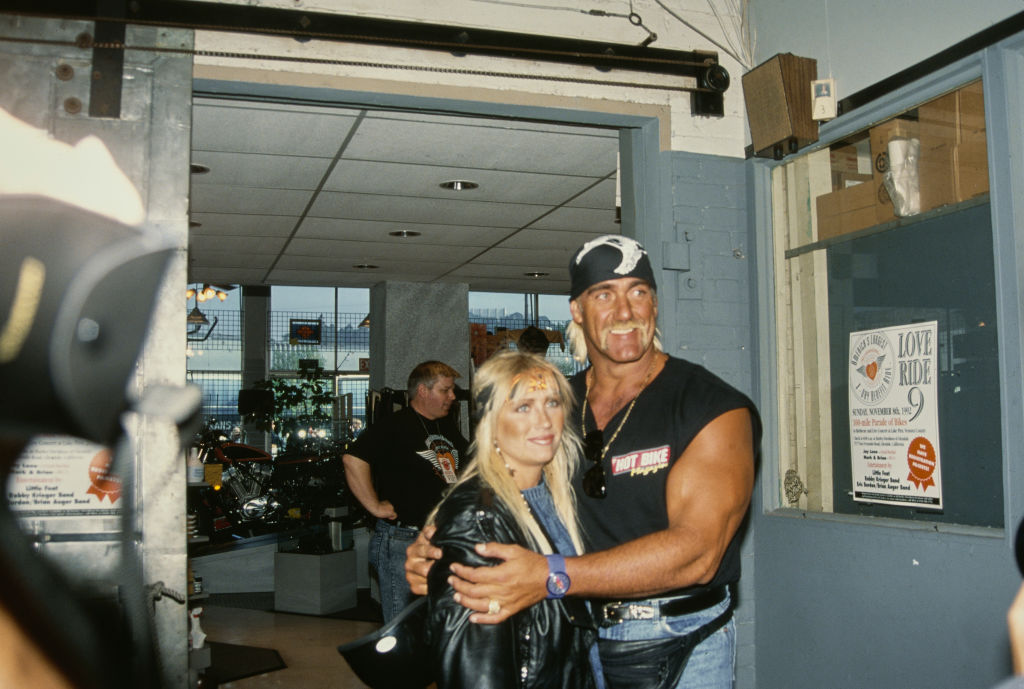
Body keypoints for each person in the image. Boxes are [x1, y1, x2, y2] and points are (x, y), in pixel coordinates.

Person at [407, 235, 760, 689]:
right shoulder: (554, 404)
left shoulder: (712, 407)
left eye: (638, 292)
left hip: (678, 637)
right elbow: (500, 484)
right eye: (604, 295)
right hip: (572, 635)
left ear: (654, 304)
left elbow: (698, 554)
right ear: (577, 310)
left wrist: (551, 576)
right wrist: (439, 554)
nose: (625, 312)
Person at [425, 349, 599, 688]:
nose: (544, 421)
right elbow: (475, 668)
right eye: (523, 407)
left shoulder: (561, 496)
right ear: (490, 421)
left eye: (552, 402)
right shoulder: (479, 518)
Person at [344, 360, 469, 622]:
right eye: (445, 390)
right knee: (403, 626)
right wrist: (374, 506)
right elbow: (353, 460)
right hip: (403, 541)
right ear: (423, 391)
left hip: (440, 538)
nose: (452, 396)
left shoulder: (444, 425)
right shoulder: (395, 425)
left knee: (436, 624)